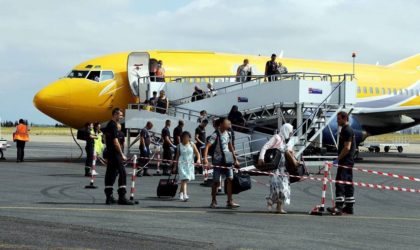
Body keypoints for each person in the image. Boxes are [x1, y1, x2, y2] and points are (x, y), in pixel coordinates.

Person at [203, 117, 240, 209]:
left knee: (230, 179)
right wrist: (206, 159)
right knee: (216, 181)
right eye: (227, 122)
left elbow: (230, 146)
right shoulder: (215, 134)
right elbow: (207, 146)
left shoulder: (229, 133)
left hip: (228, 159)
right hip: (218, 159)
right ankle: (213, 201)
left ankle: (230, 200)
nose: (229, 124)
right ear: (221, 124)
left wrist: (235, 159)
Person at [258, 123, 294, 214]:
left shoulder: (285, 140)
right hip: (275, 168)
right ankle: (272, 202)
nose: (291, 133)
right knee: (277, 188)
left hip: (283, 169)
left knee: (284, 188)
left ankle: (277, 206)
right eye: (290, 131)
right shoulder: (277, 137)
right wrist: (261, 158)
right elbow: (265, 147)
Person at [328, 111, 356, 215]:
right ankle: (349, 207)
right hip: (348, 160)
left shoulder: (347, 130)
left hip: (345, 160)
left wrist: (338, 158)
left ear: (345, 119)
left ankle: (339, 207)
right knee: (348, 183)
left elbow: (347, 147)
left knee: (340, 182)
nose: (337, 120)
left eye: (339, 119)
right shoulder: (345, 129)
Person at [103, 108, 133, 205]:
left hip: (110, 154)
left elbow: (106, 140)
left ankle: (109, 197)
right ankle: (122, 197)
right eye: (120, 115)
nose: (121, 117)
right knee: (122, 173)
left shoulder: (108, 125)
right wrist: (122, 154)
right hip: (115, 154)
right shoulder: (113, 125)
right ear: (115, 115)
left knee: (110, 174)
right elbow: (115, 142)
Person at [174, 131, 201, 201]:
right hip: (182, 163)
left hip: (190, 164)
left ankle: (181, 193)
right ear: (182, 138)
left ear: (189, 138)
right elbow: (177, 156)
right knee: (184, 179)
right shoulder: (179, 146)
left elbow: (197, 153)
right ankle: (185, 194)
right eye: (184, 137)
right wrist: (175, 166)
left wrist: (198, 159)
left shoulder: (192, 144)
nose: (186, 138)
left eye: (187, 137)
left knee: (185, 179)